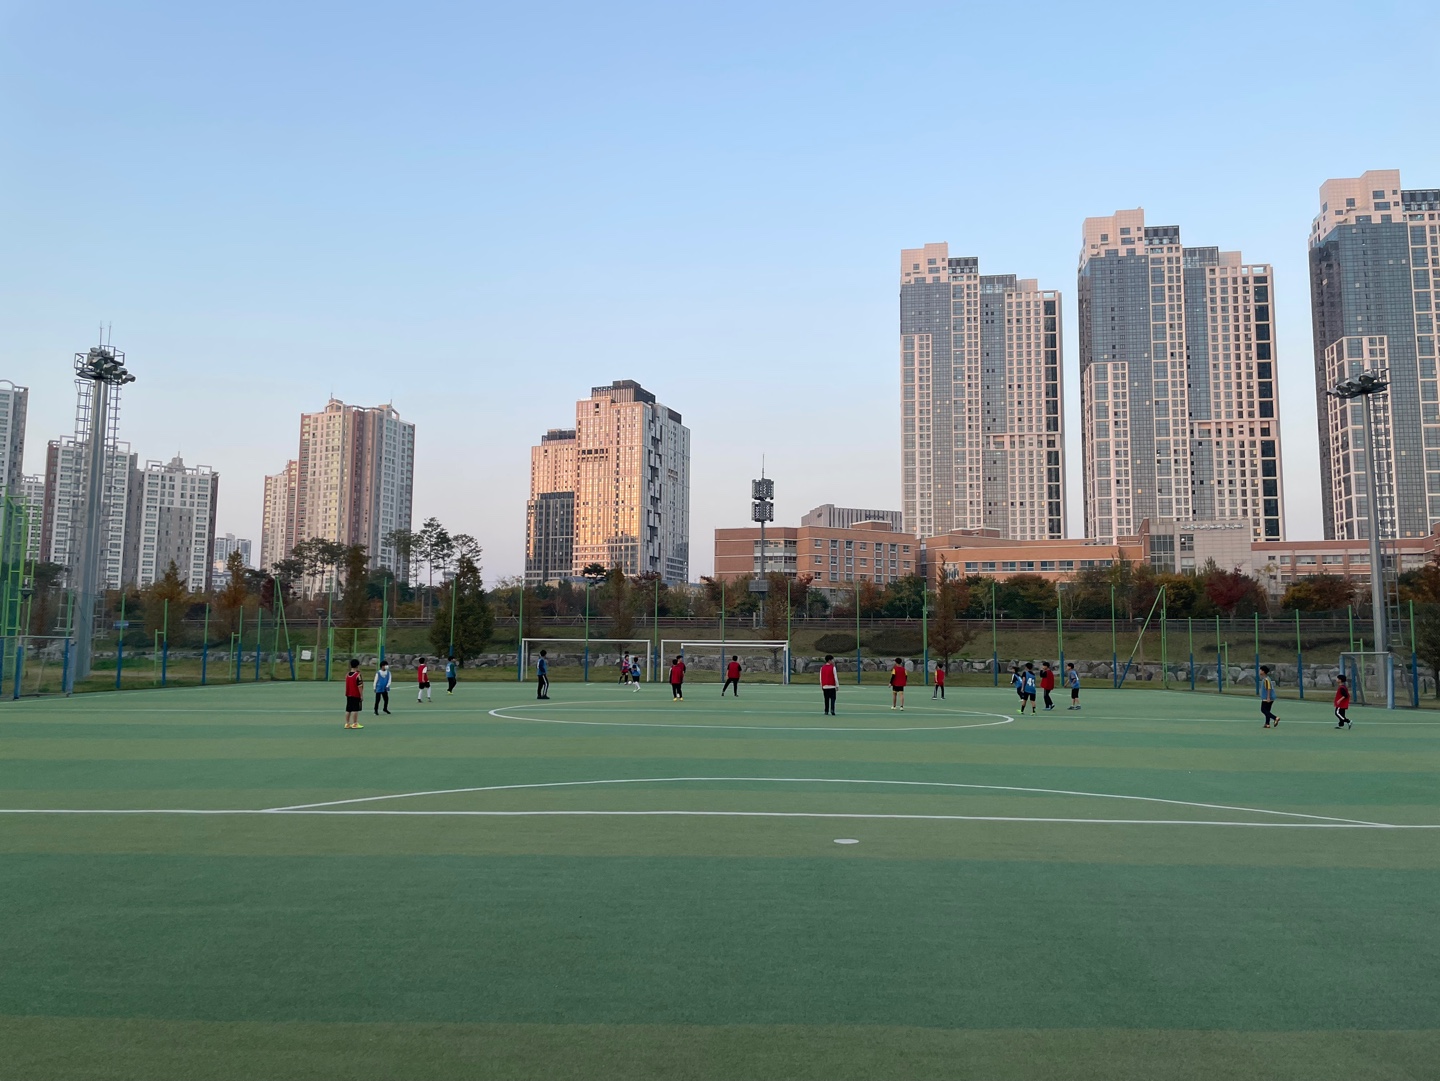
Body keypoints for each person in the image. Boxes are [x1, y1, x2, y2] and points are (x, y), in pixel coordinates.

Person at [344, 659, 364, 729]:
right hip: (355, 694)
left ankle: (347, 723)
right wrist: (361, 695)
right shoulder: (358, 675)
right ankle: (355, 723)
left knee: (348, 709)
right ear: (357, 666)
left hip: (348, 694)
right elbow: (360, 686)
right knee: (355, 709)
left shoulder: (347, 675)